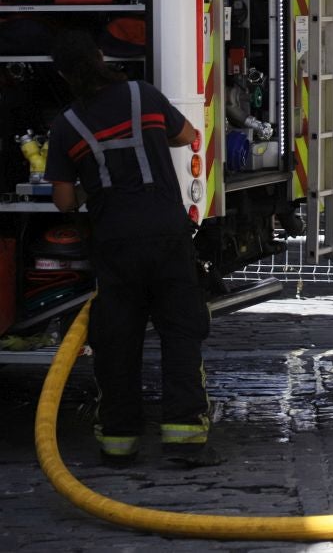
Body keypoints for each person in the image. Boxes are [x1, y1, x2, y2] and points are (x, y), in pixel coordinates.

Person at [44, 30, 217, 468]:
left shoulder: (67, 125)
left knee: (118, 340)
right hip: (167, 234)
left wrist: (90, 186)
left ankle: (118, 442)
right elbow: (188, 136)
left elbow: (64, 201)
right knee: (180, 333)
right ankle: (185, 439)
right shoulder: (144, 95)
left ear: (64, 76)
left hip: (114, 243)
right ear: (102, 57)